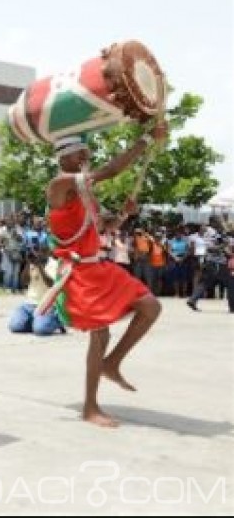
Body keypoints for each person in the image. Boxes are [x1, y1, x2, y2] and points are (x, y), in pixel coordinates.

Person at [44, 128, 165, 427]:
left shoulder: (84, 193)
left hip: (99, 267)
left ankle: (112, 363)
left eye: (86, 153)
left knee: (151, 306)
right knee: (100, 336)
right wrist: (146, 139)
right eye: (80, 154)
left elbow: (101, 228)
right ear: (64, 158)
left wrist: (122, 215)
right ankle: (90, 407)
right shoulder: (59, 185)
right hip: (79, 273)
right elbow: (111, 171)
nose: (86, 157)